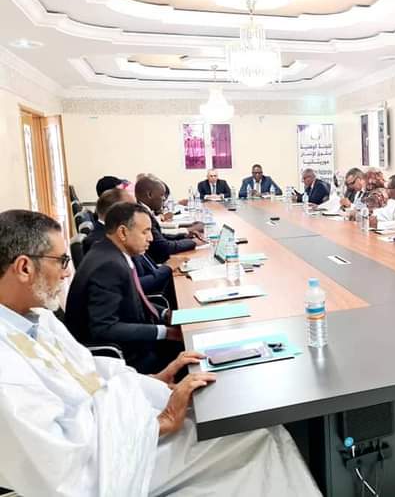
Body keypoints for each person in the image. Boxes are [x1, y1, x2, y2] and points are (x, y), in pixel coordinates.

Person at [0, 209, 321, 497]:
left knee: (238, 419)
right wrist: (158, 423)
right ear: (24, 267)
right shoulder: (5, 366)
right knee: (256, 437)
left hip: (123, 429)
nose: (66, 273)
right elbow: (60, 469)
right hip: (113, 463)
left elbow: (91, 374)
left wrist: (150, 382)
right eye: (61, 261)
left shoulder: (36, 318)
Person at [66, 203, 183, 374]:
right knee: (193, 352)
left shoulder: (110, 252)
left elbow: (131, 300)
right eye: (145, 232)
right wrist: (165, 332)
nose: (151, 238)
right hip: (127, 359)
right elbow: (104, 328)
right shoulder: (108, 266)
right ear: (122, 232)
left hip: (137, 336)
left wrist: (165, 314)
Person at [84, 188, 176, 304]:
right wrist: (166, 269)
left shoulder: (115, 240)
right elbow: (134, 286)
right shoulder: (104, 248)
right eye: (132, 207)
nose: (150, 238)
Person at [136, 176, 199, 263]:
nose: (164, 199)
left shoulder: (143, 210)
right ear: (150, 195)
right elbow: (164, 247)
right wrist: (193, 242)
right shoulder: (141, 215)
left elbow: (160, 237)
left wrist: (184, 236)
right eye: (161, 195)